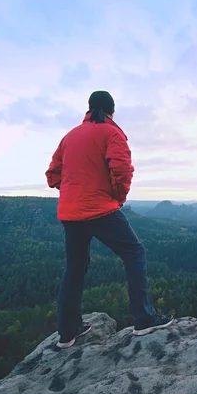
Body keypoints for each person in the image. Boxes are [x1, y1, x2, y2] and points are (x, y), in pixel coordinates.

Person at [45, 90, 173, 349]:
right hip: (100, 209)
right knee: (134, 252)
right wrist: (118, 196)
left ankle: (68, 333)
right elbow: (121, 169)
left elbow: (52, 175)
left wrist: (72, 189)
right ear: (111, 111)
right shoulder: (112, 133)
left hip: (70, 213)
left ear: (89, 109)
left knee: (75, 268)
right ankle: (143, 319)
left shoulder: (69, 136)